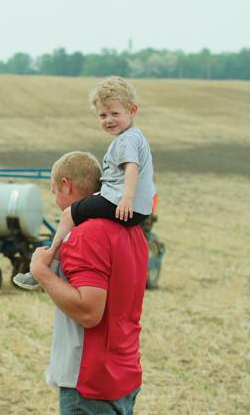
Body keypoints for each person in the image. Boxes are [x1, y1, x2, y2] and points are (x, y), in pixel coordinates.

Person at [30, 151, 147, 415]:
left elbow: (89, 311)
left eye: (55, 190)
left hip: (89, 383)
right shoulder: (133, 232)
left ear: (67, 185)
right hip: (124, 373)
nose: (55, 198)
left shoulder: (87, 234)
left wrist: (41, 273)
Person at [14, 76, 155, 290]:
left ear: (133, 111)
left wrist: (127, 198)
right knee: (84, 209)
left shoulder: (126, 141)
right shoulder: (136, 137)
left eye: (115, 114)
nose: (109, 120)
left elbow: (132, 169)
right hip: (133, 205)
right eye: (103, 115)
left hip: (121, 202)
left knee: (70, 214)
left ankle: (47, 264)